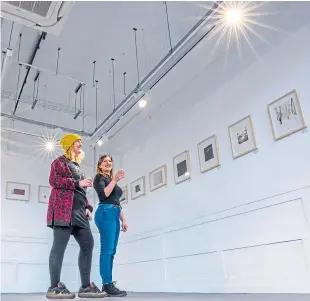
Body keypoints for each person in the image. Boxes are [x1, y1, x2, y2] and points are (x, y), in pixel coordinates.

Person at [46, 133, 106, 299]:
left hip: (80, 213)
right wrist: (77, 183)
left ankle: (85, 287)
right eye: (78, 142)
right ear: (70, 144)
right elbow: (54, 181)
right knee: (59, 247)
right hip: (63, 211)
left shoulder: (77, 166)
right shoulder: (58, 162)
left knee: (88, 244)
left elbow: (81, 190)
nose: (81, 145)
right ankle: (54, 287)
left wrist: (87, 206)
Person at [93, 155, 128, 297]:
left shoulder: (112, 181)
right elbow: (103, 195)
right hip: (105, 212)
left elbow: (116, 202)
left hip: (114, 213)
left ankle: (107, 283)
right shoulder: (99, 178)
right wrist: (114, 180)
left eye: (110, 161)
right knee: (107, 250)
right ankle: (107, 284)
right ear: (100, 165)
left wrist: (123, 220)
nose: (108, 163)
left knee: (112, 251)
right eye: (105, 161)